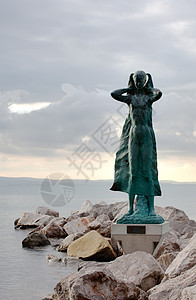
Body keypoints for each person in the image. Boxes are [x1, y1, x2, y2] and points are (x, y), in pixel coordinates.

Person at [110, 70, 162, 216]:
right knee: (132, 173)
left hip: (146, 136)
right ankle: (131, 209)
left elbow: (159, 93)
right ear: (134, 80)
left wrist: (148, 88)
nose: (139, 82)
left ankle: (151, 209)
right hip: (133, 135)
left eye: (141, 80)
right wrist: (129, 89)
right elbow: (114, 94)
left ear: (144, 80)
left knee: (147, 173)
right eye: (136, 80)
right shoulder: (130, 99)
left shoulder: (148, 98)